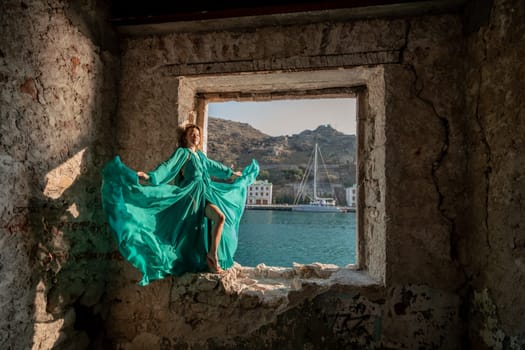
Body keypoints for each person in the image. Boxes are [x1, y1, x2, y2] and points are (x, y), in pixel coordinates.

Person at [101, 123, 259, 286]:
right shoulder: (183, 153)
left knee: (220, 218)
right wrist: (149, 176)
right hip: (191, 196)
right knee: (215, 219)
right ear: (185, 137)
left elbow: (216, 167)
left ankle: (212, 255)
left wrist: (233, 174)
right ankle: (211, 257)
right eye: (191, 133)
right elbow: (167, 168)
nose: (195, 136)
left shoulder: (200, 156)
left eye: (197, 134)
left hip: (207, 194)